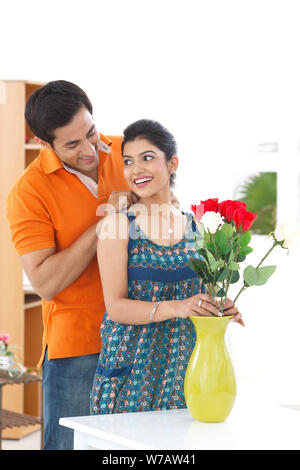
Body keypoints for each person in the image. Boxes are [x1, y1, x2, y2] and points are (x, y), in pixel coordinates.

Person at [6, 80, 143, 450]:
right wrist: (104, 223)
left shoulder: (129, 153)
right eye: (72, 144)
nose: (89, 150)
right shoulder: (28, 192)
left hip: (142, 334)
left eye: (91, 133)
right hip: (78, 347)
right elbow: (46, 281)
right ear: (42, 143)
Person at [90, 119, 243, 416]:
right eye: (129, 161)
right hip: (130, 376)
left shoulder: (197, 226)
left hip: (185, 372)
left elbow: (199, 294)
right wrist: (177, 307)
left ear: (172, 163)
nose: (136, 170)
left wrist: (220, 307)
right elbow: (116, 307)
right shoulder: (118, 226)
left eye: (147, 158)